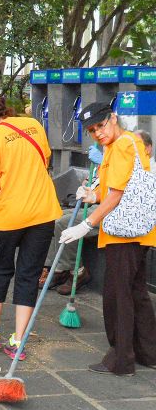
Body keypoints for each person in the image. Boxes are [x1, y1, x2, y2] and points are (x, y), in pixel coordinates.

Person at [59, 105, 156, 376]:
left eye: (101, 126)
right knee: (136, 293)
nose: (98, 133)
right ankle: (148, 352)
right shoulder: (122, 144)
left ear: (113, 118)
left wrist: (86, 224)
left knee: (117, 295)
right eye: (92, 131)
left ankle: (121, 359)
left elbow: (116, 194)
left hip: (123, 234)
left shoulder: (124, 145)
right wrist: (92, 193)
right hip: (138, 231)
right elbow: (114, 186)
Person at [0, 94, 62, 361]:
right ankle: (19, 339)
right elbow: (44, 161)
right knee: (29, 273)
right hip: (43, 212)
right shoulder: (33, 125)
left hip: (10, 214)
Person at [39, 132, 106, 294]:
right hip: (94, 201)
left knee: (64, 224)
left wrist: (104, 163)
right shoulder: (110, 153)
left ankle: (78, 271)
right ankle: (56, 268)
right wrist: (88, 184)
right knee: (52, 217)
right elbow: (99, 182)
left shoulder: (136, 162)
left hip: (108, 208)